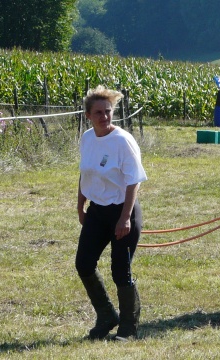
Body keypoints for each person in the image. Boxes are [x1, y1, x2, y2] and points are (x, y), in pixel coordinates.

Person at [75, 85, 147, 341]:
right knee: (83, 263)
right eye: (98, 113)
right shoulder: (86, 138)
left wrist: (125, 217)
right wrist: (80, 205)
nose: (104, 117)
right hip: (97, 211)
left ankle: (129, 327)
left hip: (122, 211)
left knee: (120, 271)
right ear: (88, 115)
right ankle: (106, 315)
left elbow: (133, 181)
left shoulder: (123, 141)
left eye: (107, 112)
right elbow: (85, 172)